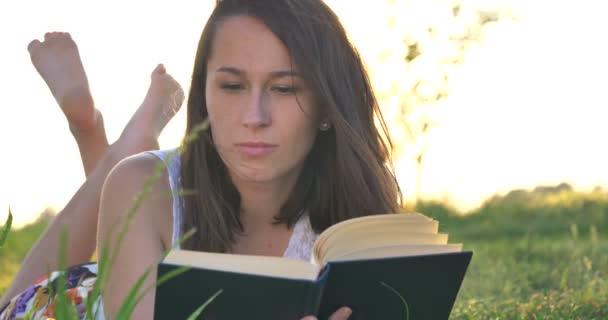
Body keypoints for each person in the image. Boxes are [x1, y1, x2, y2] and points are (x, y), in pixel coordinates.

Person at [1, 0, 402, 319]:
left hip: (126, 273)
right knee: (13, 305)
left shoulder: (359, 202)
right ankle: (106, 140)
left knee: (130, 189)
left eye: (283, 89)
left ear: (326, 105)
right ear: (202, 93)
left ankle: (111, 139)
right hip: (70, 307)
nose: (254, 117)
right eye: (232, 86)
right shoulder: (146, 185)